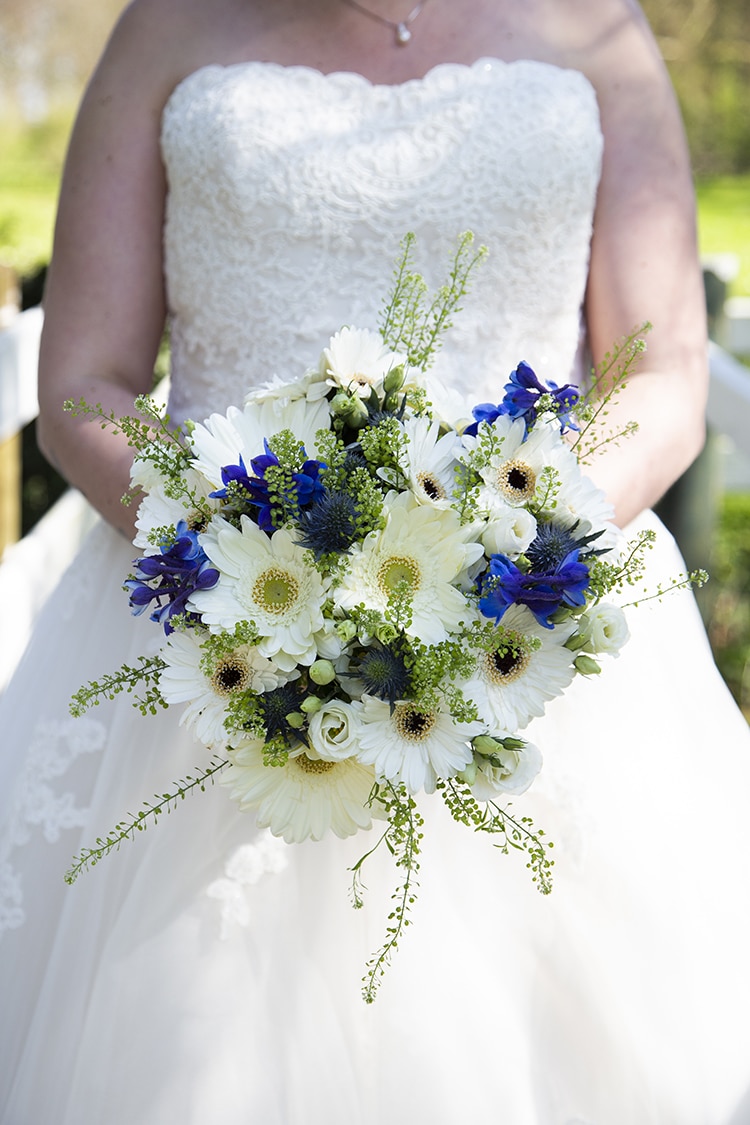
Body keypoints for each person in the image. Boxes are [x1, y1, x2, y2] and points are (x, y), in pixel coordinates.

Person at [1, 0, 749, 1121]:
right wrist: (238, 553)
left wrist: (517, 545)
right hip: (209, 628)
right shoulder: (166, 25)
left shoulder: (598, 29)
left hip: (531, 623)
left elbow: (663, 375)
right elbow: (82, 384)